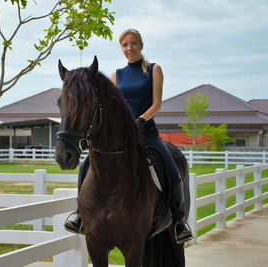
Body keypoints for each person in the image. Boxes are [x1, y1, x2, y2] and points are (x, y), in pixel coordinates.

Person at [64, 28, 193, 244]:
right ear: (121, 48)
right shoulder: (117, 75)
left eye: (133, 44)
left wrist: (141, 120)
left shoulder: (153, 69)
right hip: (122, 136)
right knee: (85, 166)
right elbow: (114, 107)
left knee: (171, 169)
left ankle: (179, 221)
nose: (129, 48)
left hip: (147, 133)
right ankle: (80, 214)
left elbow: (157, 103)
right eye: (125, 45)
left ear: (141, 45)